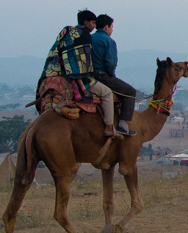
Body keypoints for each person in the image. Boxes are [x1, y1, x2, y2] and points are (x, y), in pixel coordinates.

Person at [41, 9, 119, 138]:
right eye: (93, 23)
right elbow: (85, 61)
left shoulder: (67, 32)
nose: (94, 27)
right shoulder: (85, 35)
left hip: (61, 72)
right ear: (86, 22)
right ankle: (109, 127)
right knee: (107, 93)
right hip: (79, 76)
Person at [91, 14, 137, 137]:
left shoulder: (89, 38)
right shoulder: (108, 41)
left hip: (88, 77)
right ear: (106, 27)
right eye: (112, 27)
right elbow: (110, 64)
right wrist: (112, 76)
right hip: (102, 76)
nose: (112, 30)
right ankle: (122, 124)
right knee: (130, 91)